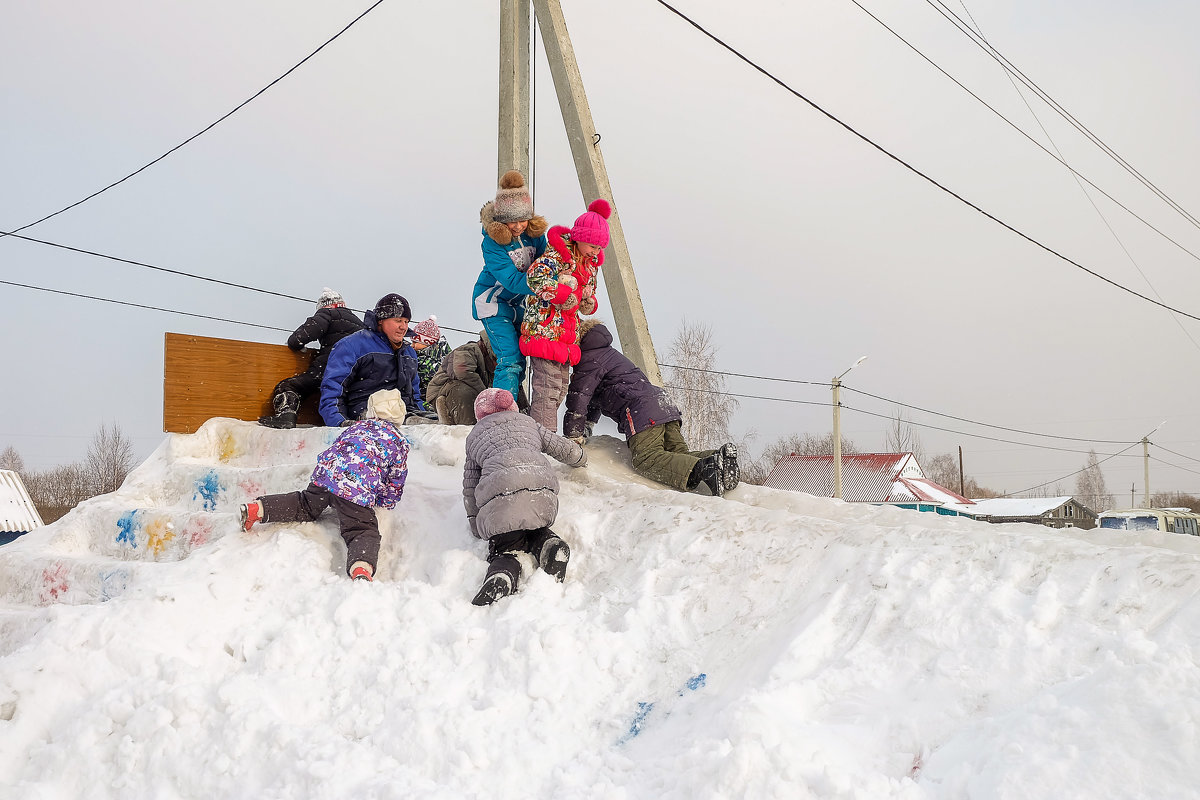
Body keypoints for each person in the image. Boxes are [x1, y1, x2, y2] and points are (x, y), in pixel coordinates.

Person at [238, 389, 410, 581]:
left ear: (371, 412)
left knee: (304, 504)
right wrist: (386, 501)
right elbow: (396, 478)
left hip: (325, 476)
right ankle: (361, 567)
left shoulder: (356, 428)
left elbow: (338, 448)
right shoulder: (399, 442)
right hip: (354, 491)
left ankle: (257, 509)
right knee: (361, 529)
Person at [563, 320, 739, 497]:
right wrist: (590, 424)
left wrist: (572, 434)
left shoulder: (588, 358)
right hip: (663, 403)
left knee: (646, 458)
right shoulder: (606, 353)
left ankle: (706, 468)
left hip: (641, 409)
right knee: (677, 454)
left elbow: (579, 395)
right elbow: (593, 396)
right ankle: (719, 457)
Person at [462, 388, 586, 605]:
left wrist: (475, 523)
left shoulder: (475, 436)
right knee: (533, 524)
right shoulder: (528, 422)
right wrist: (581, 458)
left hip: (502, 498)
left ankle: (502, 573)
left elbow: (470, 486)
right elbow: (561, 447)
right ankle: (549, 543)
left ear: (480, 414)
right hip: (542, 491)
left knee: (506, 542)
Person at [520, 198, 609, 431]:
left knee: (558, 389)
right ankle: (543, 440)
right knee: (547, 390)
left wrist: (588, 301)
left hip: (566, 334)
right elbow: (535, 277)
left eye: (599, 248)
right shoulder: (557, 256)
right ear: (579, 237)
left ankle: (531, 429)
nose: (595, 252)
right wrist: (561, 294)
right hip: (544, 328)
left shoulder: (590, 265)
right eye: (592, 246)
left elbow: (588, 293)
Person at [471, 170, 548, 400]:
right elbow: (513, 281)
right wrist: (545, 284)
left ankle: (514, 404)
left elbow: (546, 262)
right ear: (502, 220)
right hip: (492, 302)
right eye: (511, 221)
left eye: (522, 220)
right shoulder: (492, 244)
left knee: (525, 355)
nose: (517, 226)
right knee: (510, 358)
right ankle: (500, 411)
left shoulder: (534, 235)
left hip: (517, 304)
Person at [259, 288, 365, 429]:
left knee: (290, 385)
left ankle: (286, 416)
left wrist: (297, 345)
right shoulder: (359, 324)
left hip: (329, 368)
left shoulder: (327, 314)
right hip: (356, 374)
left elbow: (299, 338)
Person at [319, 293, 426, 427]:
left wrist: (422, 415)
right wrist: (340, 423)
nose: (404, 327)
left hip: (405, 414)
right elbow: (333, 390)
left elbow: (414, 395)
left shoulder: (409, 352)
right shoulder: (353, 346)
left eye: (406, 322)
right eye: (398, 321)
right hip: (367, 413)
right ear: (381, 320)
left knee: (440, 426)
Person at [423, 328, 499, 425]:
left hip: (455, 392)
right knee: (464, 391)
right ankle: (467, 428)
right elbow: (462, 370)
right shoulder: (470, 349)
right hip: (442, 392)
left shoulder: (492, 366)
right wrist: (484, 395)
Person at [408, 315, 452, 402]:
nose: (412, 345)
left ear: (428, 343)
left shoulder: (426, 363)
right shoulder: (445, 357)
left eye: (415, 342)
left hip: (427, 403)